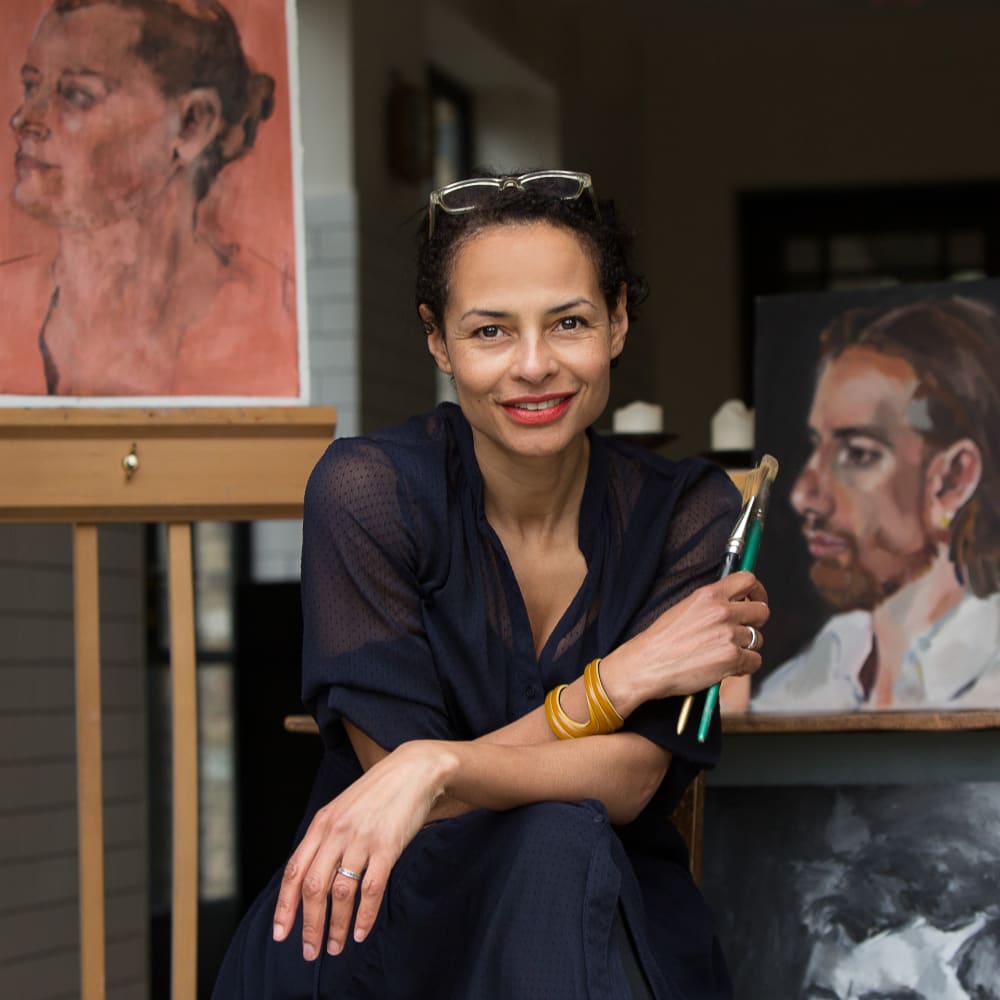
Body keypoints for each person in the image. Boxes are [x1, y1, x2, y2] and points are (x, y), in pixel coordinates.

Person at [212, 169, 769, 999]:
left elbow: (632, 779)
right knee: (554, 828)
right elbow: (402, 795)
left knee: (562, 836)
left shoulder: (688, 511)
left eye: (569, 322)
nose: (534, 366)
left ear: (618, 321)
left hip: (593, 914)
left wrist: (434, 763)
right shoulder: (367, 492)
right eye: (490, 332)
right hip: (384, 920)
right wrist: (619, 680)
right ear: (438, 342)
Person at [1, 0, 298, 396]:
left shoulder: (266, 312)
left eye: (76, 94)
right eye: (30, 86)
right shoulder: (8, 300)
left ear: (192, 124)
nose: (23, 119)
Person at [748, 296, 1000, 713]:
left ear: (953, 479)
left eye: (859, 453)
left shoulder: (989, 674)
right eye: (817, 446)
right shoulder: (827, 661)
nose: (802, 495)